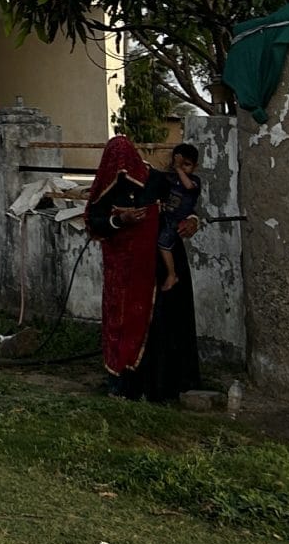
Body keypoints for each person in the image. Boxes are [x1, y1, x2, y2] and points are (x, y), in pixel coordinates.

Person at [84, 134, 202, 403]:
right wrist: (120, 219)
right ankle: (127, 385)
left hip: (162, 261)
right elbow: (95, 222)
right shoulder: (106, 188)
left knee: (166, 321)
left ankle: (168, 386)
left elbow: (182, 202)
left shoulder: (155, 179)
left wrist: (193, 220)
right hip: (125, 271)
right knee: (127, 325)